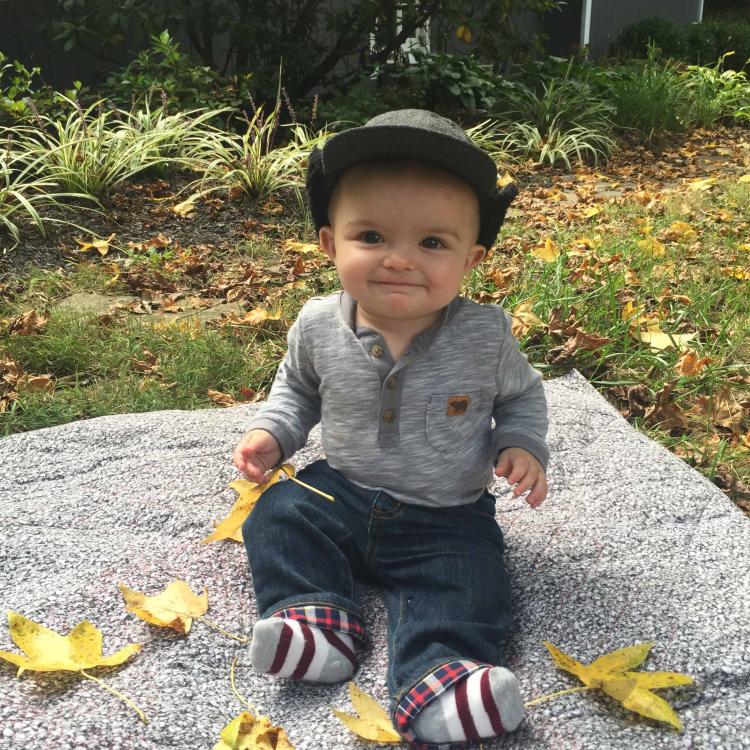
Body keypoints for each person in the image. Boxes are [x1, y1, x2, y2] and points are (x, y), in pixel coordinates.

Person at [233, 109, 549, 749]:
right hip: (343, 490)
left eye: (433, 243)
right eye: (372, 235)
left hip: (446, 514)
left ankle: (443, 676)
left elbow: (522, 398)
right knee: (278, 515)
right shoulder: (318, 323)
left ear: (472, 258)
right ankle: (315, 621)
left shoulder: (485, 335)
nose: (400, 260)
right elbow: (296, 389)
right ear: (330, 244)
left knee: (472, 581)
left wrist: (520, 444)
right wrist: (274, 434)